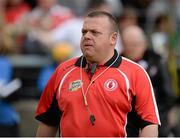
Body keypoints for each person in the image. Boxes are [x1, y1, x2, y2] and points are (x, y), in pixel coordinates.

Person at [35, 11, 160, 137]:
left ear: (113, 38)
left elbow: (149, 124)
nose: (87, 36)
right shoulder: (63, 71)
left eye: (95, 32)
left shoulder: (135, 73)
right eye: (84, 32)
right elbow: (47, 122)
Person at [120, 25, 177, 136]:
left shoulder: (157, 61)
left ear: (144, 43)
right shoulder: (118, 63)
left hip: (156, 117)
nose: (130, 48)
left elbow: (168, 94)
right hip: (127, 122)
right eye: (127, 44)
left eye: (134, 44)